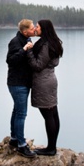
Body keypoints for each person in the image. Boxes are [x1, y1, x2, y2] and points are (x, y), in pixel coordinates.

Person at [26, 19, 63, 156]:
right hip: (50, 80)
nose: (36, 28)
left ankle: (51, 149)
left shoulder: (46, 45)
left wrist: (29, 51)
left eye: (38, 26)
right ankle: (52, 146)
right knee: (53, 113)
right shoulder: (52, 42)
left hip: (43, 82)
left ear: (44, 29)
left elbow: (38, 65)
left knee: (49, 115)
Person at [6, 19, 37, 158]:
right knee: (21, 114)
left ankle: (14, 139)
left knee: (17, 110)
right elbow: (10, 61)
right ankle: (21, 145)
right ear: (25, 31)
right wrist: (24, 50)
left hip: (22, 82)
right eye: (32, 28)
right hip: (17, 83)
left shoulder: (27, 38)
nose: (34, 29)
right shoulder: (15, 42)